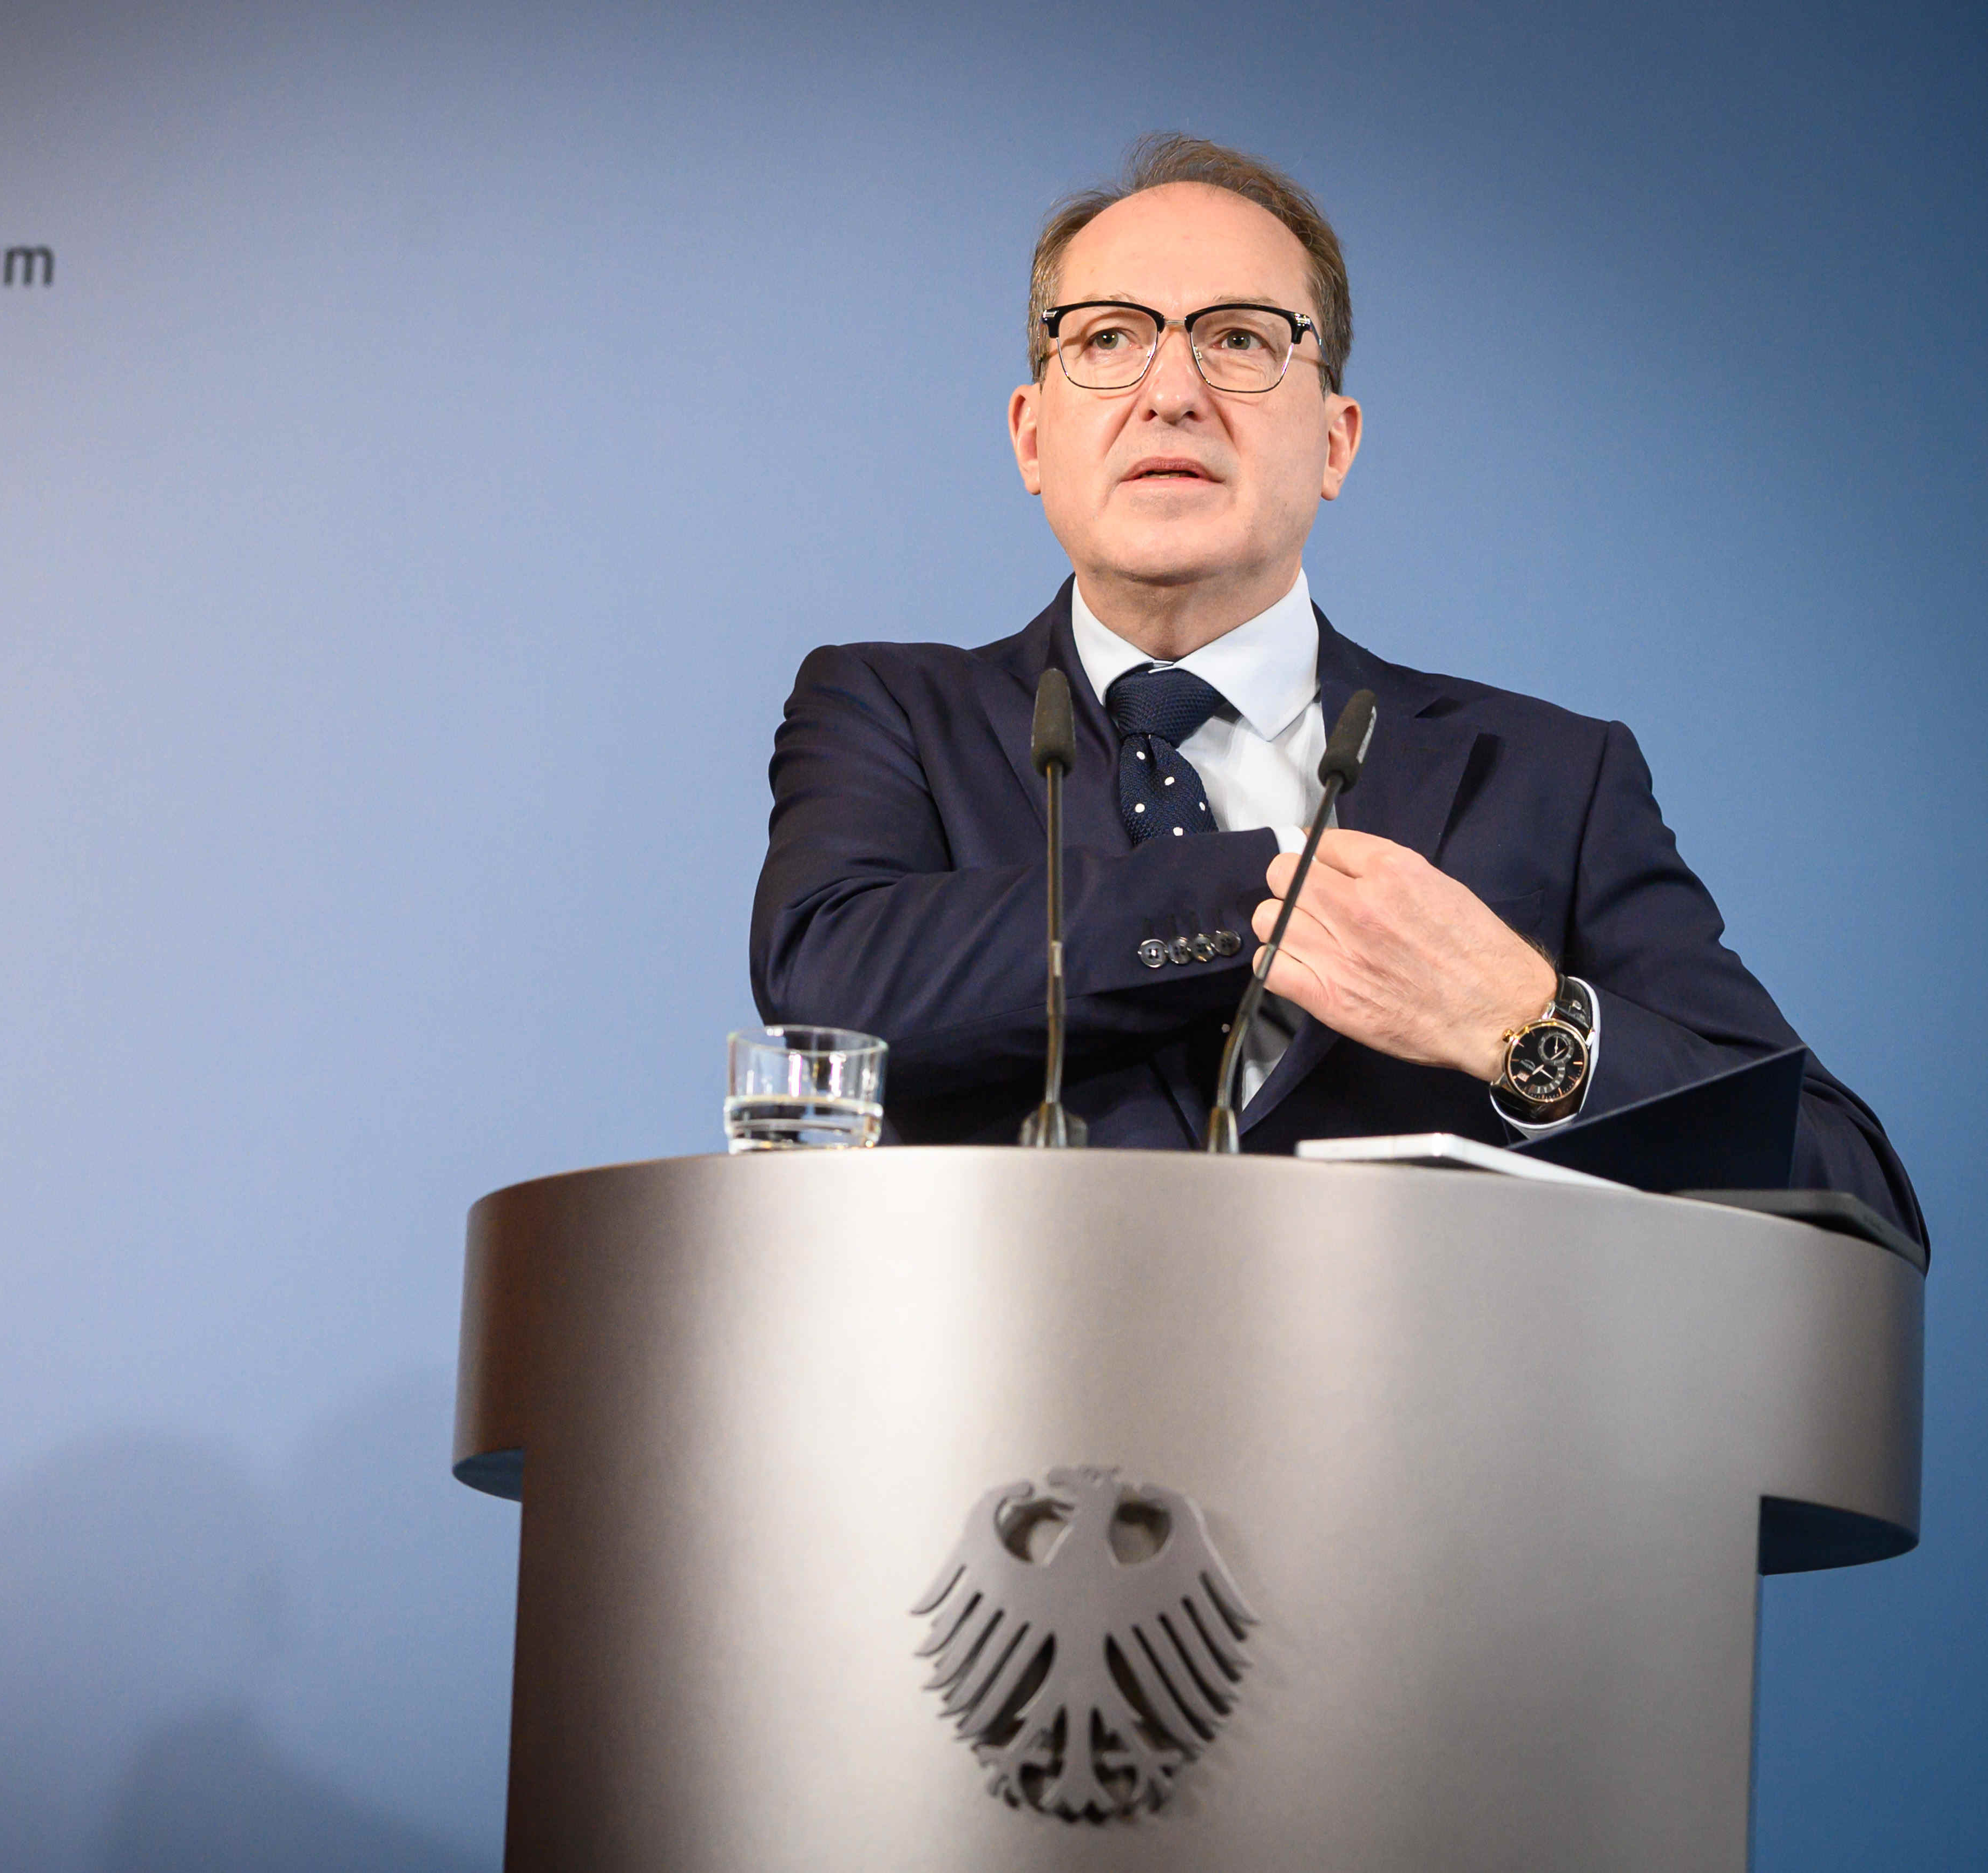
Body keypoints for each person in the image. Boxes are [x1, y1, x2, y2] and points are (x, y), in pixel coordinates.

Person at [748, 134, 1921, 1241]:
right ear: (1032, 436)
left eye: (1243, 340)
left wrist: (1524, 1024)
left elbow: (1847, 1185)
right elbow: (840, 994)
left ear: (1337, 442)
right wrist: (1280, 888)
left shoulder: (1551, 780)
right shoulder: (889, 712)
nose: (1171, 393)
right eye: (1107, 338)